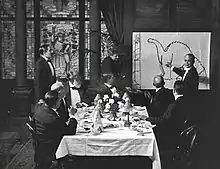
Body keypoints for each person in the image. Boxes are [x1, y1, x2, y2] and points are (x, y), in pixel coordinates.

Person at [32, 90, 77, 168]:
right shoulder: (53, 119)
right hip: (52, 146)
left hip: (41, 144)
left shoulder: (39, 108)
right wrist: (72, 116)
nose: (60, 102)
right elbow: (70, 131)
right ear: (55, 103)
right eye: (59, 100)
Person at [146, 80, 190, 151]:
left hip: (171, 134)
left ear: (174, 91)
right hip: (186, 135)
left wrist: (147, 119)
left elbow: (163, 120)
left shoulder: (173, 106)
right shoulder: (189, 104)